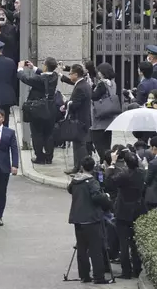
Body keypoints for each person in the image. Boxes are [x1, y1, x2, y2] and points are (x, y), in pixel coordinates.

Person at [67, 156, 112, 284]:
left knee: (81, 248)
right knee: (95, 248)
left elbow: (70, 190)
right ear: (93, 168)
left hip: (77, 219)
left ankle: (84, 276)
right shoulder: (92, 181)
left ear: (81, 167)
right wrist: (106, 196)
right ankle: (99, 277)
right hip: (91, 219)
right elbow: (97, 197)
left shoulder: (75, 180)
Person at [105, 150, 145, 279]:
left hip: (123, 211)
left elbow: (109, 182)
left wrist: (112, 163)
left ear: (126, 163)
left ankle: (126, 271)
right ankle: (137, 269)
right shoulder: (142, 173)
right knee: (135, 243)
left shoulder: (124, 175)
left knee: (124, 242)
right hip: (138, 210)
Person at [17, 58, 59, 165]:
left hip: (39, 109)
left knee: (37, 133)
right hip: (51, 109)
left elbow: (25, 78)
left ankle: (40, 157)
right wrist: (34, 68)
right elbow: (45, 75)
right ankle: (49, 157)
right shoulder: (54, 76)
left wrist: (20, 69)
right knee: (49, 133)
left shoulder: (39, 79)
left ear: (45, 66)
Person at [61, 64, 93, 175]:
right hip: (84, 119)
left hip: (80, 120)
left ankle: (81, 168)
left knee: (79, 146)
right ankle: (77, 167)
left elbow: (75, 104)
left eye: (70, 73)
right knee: (78, 144)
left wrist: (66, 104)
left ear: (75, 74)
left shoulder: (80, 87)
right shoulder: (85, 84)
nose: (69, 75)